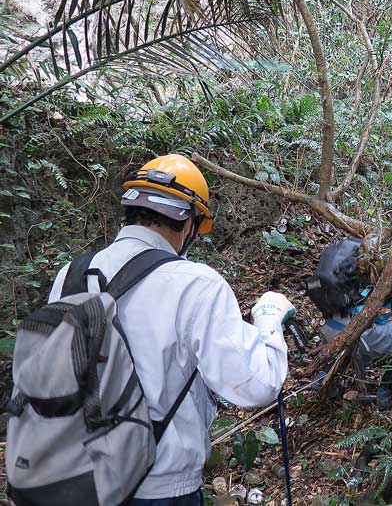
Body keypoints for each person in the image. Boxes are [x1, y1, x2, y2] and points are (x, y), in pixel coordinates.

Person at [45, 154, 295, 505]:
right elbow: (256, 386)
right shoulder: (196, 284)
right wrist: (269, 320)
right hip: (158, 490)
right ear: (189, 222)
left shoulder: (69, 275)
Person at [319, 291, 392, 410]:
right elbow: (377, 316)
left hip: (330, 323)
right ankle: (386, 392)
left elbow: (361, 297)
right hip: (354, 327)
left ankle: (323, 377)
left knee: (350, 347)